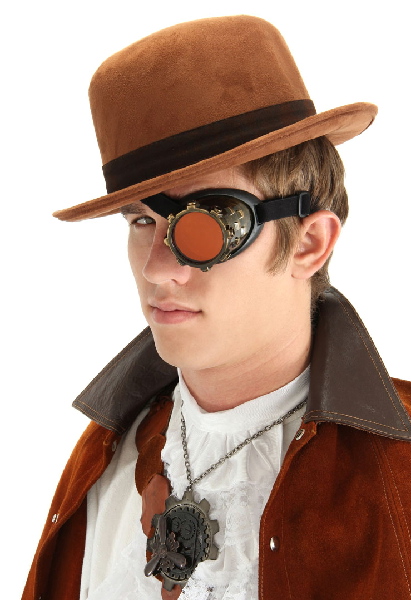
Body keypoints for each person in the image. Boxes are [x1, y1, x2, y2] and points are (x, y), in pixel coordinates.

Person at [23, 14, 411, 600]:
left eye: (208, 224)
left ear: (309, 242)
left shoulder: (401, 471)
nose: (157, 268)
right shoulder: (102, 457)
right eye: (141, 221)